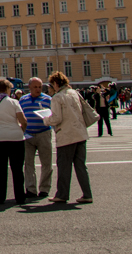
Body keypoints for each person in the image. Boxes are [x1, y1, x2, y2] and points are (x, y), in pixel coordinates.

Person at [45, 71, 93, 204]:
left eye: (52, 84)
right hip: (80, 133)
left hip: (66, 135)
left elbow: (56, 118)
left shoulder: (57, 97)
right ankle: (87, 193)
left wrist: (45, 120)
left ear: (55, 83)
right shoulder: (74, 93)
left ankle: (62, 194)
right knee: (81, 166)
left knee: (64, 166)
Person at [0, 78, 29, 205]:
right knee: (17, 169)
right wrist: (21, 130)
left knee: (0, 168)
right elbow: (23, 120)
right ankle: (20, 197)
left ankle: (0, 197)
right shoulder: (14, 102)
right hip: (15, 137)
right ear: (8, 89)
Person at [20, 77, 53, 199]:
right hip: (28, 134)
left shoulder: (48, 99)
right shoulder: (23, 100)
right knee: (28, 163)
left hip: (43, 133)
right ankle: (30, 189)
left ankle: (44, 188)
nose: (38, 89)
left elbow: (54, 115)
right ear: (29, 87)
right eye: (35, 87)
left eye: (40, 87)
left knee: (46, 162)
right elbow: (19, 115)